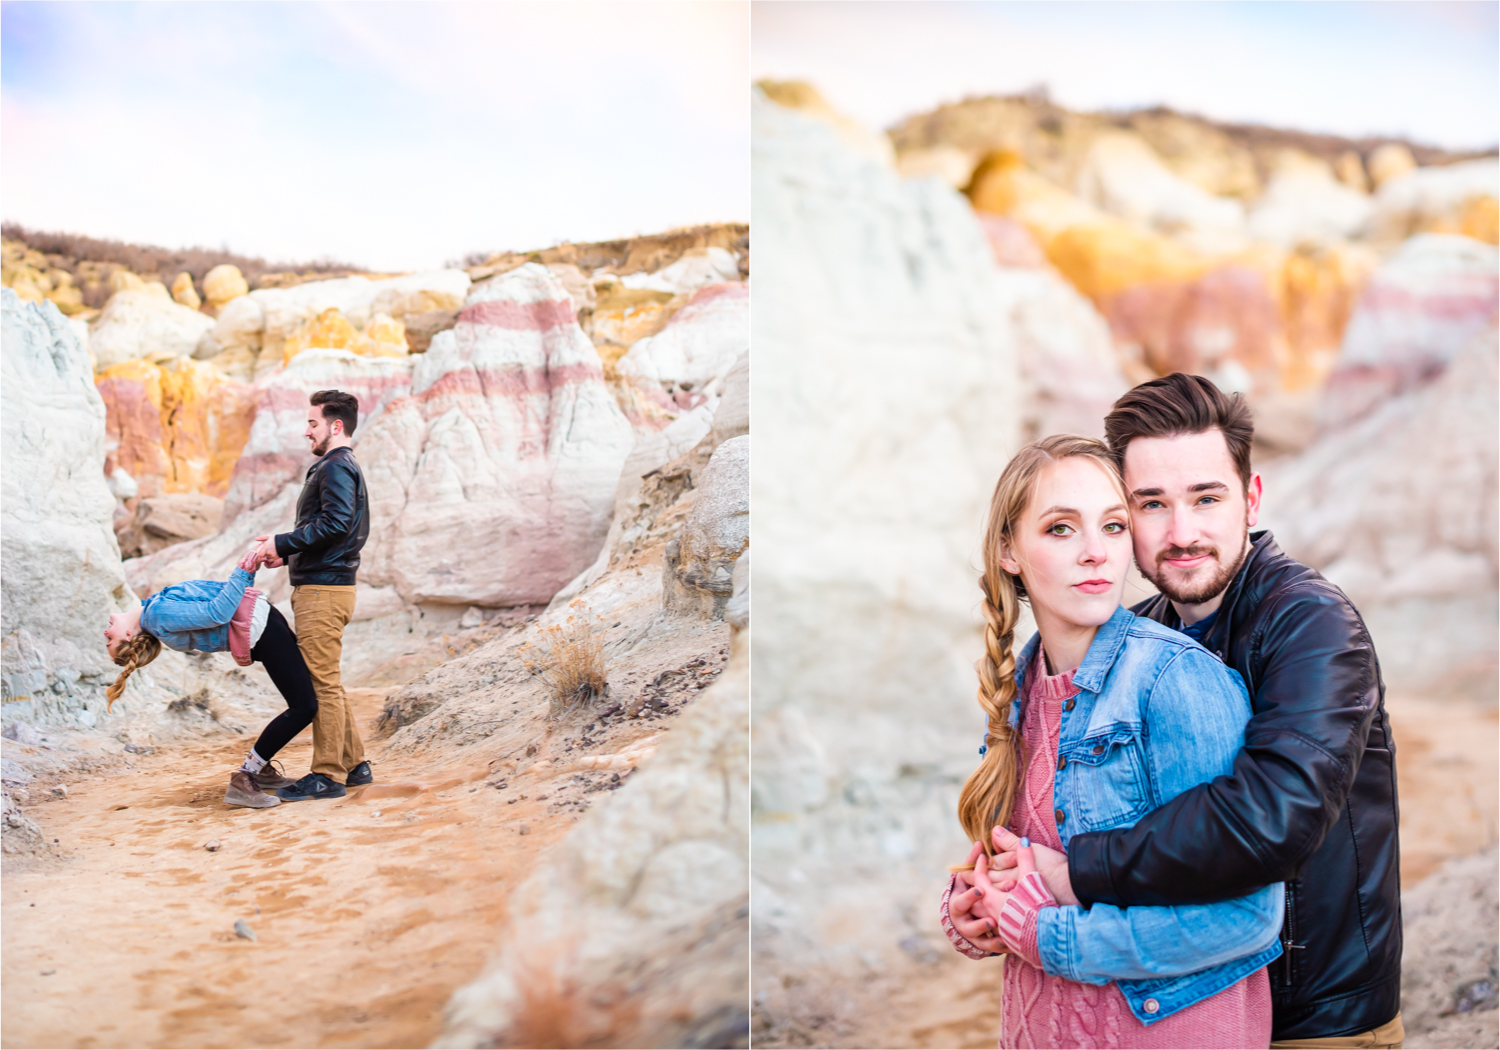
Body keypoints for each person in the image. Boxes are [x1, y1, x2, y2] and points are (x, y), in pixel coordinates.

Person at [977, 375, 1403, 1048]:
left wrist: (1076, 874)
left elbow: (1272, 815)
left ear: (1251, 498)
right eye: (1151, 505)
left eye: (1206, 498)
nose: (1182, 532)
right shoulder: (1132, 636)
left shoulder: (1311, 622)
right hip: (1164, 1001)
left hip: (1316, 1014)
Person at [940, 433, 1283, 1049]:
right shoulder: (1018, 686)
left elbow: (1247, 918)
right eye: (1061, 529)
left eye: (1114, 526)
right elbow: (1024, 866)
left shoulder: (1174, 681)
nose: (1096, 553)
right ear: (1008, 550)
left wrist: (1047, 937)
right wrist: (976, 907)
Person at [104, 547, 314, 809]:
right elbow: (218, 612)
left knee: (307, 698)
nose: (105, 631)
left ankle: (260, 771)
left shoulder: (154, 608)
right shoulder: (157, 616)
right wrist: (243, 569)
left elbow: (222, 597)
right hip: (261, 631)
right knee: (304, 707)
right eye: (109, 639)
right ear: (128, 636)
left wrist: (248, 573)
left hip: (261, 623)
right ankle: (245, 775)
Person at [250, 389, 372, 802]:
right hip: (326, 584)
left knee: (320, 685)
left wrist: (282, 543)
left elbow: (336, 523)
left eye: (312, 423)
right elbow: (333, 527)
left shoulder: (336, 466)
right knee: (328, 682)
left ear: (336, 426)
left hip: (324, 591)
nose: (307, 432)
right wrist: (285, 552)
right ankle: (354, 766)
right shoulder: (339, 466)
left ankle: (327, 775)